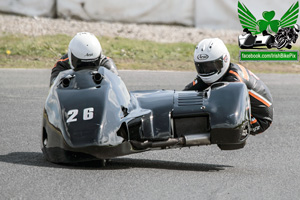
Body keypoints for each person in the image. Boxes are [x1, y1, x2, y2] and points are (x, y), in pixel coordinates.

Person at [184, 38, 273, 135]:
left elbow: (220, 105)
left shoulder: (234, 79)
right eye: (202, 67)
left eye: (211, 66)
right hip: (244, 107)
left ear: (224, 60)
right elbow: (186, 92)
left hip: (259, 119)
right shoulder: (216, 73)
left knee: (214, 113)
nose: (206, 71)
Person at [50, 32, 118, 85]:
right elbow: (53, 87)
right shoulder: (62, 63)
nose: (86, 68)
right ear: (71, 57)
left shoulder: (106, 62)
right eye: (81, 64)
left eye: (92, 63)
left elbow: (117, 83)